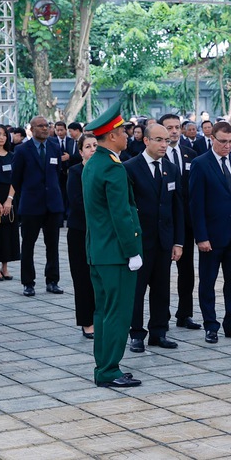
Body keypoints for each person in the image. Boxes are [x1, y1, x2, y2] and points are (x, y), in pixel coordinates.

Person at [82, 103, 143, 388]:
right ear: (111, 135)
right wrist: (132, 251)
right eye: (122, 132)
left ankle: (104, 366)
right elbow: (121, 215)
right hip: (117, 253)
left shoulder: (93, 163)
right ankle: (109, 370)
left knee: (103, 311)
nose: (127, 136)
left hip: (98, 251)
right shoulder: (112, 168)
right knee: (117, 313)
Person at [190, 121, 231, 343]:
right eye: (223, 142)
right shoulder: (201, 164)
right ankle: (211, 325)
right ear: (212, 139)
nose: (227, 146)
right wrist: (201, 236)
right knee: (208, 281)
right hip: (212, 235)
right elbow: (196, 204)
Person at [124, 124, 184, 352]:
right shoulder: (130, 167)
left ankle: (159, 332)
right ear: (146, 141)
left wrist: (178, 241)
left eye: (166, 140)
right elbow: (126, 208)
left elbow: (177, 206)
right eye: (159, 140)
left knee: (161, 289)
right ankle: (136, 334)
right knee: (137, 290)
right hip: (140, 240)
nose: (163, 145)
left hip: (164, 241)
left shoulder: (171, 168)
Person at [11, 115, 64, 297]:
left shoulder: (55, 148)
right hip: (31, 205)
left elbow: (56, 173)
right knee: (28, 245)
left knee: (53, 245)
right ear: (31, 129)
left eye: (46, 125)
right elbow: (16, 179)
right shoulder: (22, 150)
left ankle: (52, 280)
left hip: (52, 204)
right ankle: (28, 282)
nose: (44, 128)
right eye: (40, 126)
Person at [159, 114, 201, 330]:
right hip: (163, 223)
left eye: (177, 127)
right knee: (161, 272)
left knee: (187, 271)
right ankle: (161, 315)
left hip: (186, 221)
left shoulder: (190, 154)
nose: (174, 131)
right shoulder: (155, 157)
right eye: (169, 128)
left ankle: (185, 314)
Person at [67, 134, 97, 339]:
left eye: (96, 145)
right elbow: (77, 202)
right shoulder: (75, 172)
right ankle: (87, 322)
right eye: (88, 146)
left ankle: (101, 318)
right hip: (81, 232)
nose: (93, 149)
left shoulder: (106, 170)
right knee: (83, 278)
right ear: (80, 151)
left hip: (102, 233)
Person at [0, 125, 18, 281]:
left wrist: (9, 199)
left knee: (8, 231)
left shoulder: (12, 156)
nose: (1, 137)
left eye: (4, 135)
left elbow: (16, 179)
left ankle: (5, 267)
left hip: (9, 196)